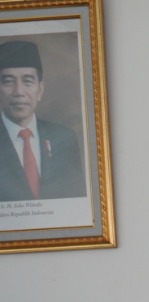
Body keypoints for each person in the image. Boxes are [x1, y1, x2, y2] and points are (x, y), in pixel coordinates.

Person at [0, 39, 85, 202]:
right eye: (9, 82)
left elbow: (77, 201)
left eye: (28, 81)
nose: (19, 92)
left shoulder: (64, 139)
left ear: (40, 90)